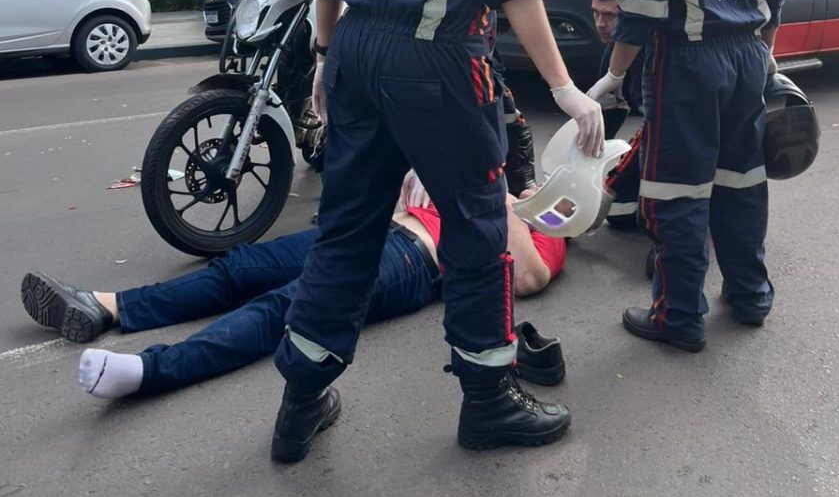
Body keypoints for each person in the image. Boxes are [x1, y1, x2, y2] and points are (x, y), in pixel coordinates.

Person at [271, 0, 603, 462]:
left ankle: (300, 402)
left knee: (347, 227)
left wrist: (326, 61)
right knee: (478, 226)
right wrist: (563, 87)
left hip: (357, 50)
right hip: (439, 60)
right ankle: (488, 401)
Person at [19, 169, 566, 401]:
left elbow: (531, 278)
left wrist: (508, 205)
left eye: (559, 192)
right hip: (368, 230)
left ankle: (151, 371)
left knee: (283, 309)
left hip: (413, 262)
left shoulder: (545, 232)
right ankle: (106, 307)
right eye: (545, 180)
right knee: (239, 268)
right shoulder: (473, 180)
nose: (544, 186)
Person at [592, 0, 784, 353]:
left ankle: (677, 316)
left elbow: (642, 10)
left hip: (688, 66)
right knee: (741, 181)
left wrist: (614, 73)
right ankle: (750, 296)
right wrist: (763, 57)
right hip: (745, 58)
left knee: (676, 193)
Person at [587, 0, 645, 230]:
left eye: (609, 15)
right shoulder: (612, 53)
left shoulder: (656, 54)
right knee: (620, 215)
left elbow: (657, 133)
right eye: (596, 13)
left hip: (689, 140)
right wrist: (575, 177)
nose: (600, 23)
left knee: (665, 202)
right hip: (663, 133)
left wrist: (610, 185)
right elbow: (607, 120)